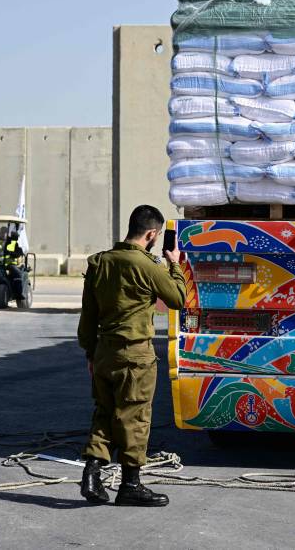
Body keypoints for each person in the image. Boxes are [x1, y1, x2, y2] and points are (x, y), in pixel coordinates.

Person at [76, 205, 184, 507]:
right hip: (135, 355)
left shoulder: (100, 263)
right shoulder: (148, 266)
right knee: (134, 417)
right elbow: (177, 299)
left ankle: (92, 473)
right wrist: (173, 265)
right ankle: (131, 485)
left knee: (104, 411)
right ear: (151, 234)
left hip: (104, 352)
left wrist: (90, 352)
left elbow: (88, 316)